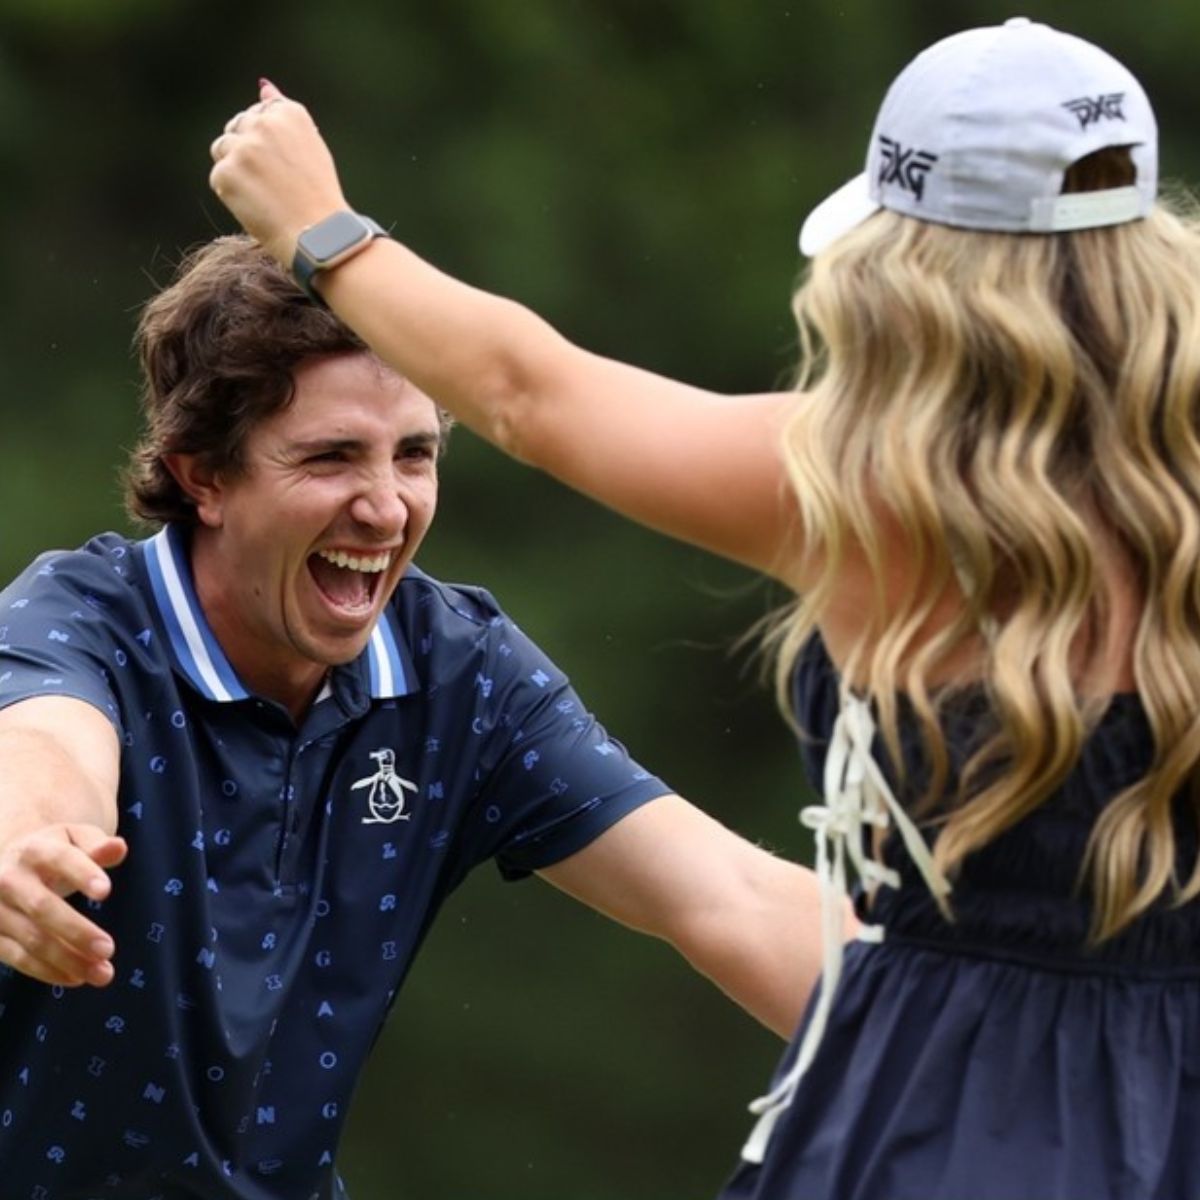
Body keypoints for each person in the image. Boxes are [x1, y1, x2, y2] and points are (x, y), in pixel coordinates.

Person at [208, 15, 1200, 1200]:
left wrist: (319, 228)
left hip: (941, 1106)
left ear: (910, 268)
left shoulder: (866, 491)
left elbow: (535, 396)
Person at [0, 234, 835, 1200]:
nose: (387, 508)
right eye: (332, 457)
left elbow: (727, 894)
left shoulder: (456, 667)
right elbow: (43, 745)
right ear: (204, 477)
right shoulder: (75, 619)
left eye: (416, 455)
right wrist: (31, 846)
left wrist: (984, 1029)